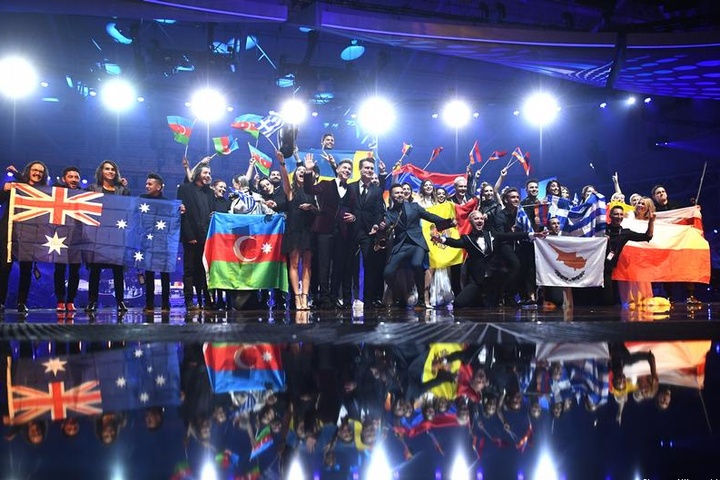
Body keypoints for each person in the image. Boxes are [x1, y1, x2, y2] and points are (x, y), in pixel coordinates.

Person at [433, 210, 545, 308]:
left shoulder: (492, 234)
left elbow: (510, 236)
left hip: (494, 279)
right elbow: (456, 243)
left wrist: (532, 234)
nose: (479, 221)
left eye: (481, 218)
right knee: (459, 303)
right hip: (477, 280)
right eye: (476, 219)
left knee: (491, 305)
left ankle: (503, 295)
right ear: (470, 221)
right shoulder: (467, 239)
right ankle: (478, 298)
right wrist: (442, 239)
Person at [372, 183, 454, 310]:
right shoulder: (389, 213)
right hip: (401, 245)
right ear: (391, 196)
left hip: (417, 243)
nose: (400, 194)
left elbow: (430, 216)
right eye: (396, 193)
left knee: (417, 264)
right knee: (388, 273)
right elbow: (386, 224)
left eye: (401, 192)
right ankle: (399, 297)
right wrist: (382, 227)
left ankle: (421, 299)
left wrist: (448, 222)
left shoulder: (414, 206)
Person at [303, 154, 358, 309]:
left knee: (338, 265)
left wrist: (353, 217)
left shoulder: (351, 190)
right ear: (338, 169)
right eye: (344, 167)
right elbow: (309, 189)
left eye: (349, 169)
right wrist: (308, 171)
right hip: (324, 230)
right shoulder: (326, 184)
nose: (347, 170)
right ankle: (324, 297)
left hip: (342, 232)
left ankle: (334, 297)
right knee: (324, 265)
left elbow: (354, 210)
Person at [0, 161, 50, 313]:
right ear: (28, 171)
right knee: (4, 268)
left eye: (41, 171)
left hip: (30, 234)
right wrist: (3, 189)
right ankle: (0, 302)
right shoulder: (15, 186)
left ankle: (22, 302)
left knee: (26, 269)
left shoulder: (45, 192)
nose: (37, 173)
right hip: (10, 232)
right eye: (35, 170)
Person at [85, 161, 130, 313]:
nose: (110, 171)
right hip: (98, 234)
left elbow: (129, 210)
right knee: (95, 270)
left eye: (113, 169)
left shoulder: (123, 190)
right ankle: (92, 301)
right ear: (101, 171)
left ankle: (120, 301)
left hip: (117, 234)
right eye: (107, 169)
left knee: (118, 270)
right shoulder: (92, 189)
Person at [278, 151, 317, 310]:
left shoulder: (313, 192)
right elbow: (284, 179)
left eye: (304, 171)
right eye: (299, 171)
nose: (301, 172)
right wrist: (282, 164)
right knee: (294, 264)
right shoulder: (291, 191)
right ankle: (296, 297)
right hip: (294, 230)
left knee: (307, 264)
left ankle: (305, 296)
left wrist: (312, 207)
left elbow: (321, 210)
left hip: (308, 230)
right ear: (295, 176)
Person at [177, 161, 215, 310]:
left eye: (209, 173)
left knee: (205, 270)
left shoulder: (210, 192)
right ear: (198, 173)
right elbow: (183, 215)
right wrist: (189, 235)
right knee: (189, 270)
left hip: (207, 237)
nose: (208, 175)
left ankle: (207, 300)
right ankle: (189, 301)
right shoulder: (184, 189)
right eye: (205, 173)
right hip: (191, 237)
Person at [603, 205, 654, 305]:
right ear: (610, 216)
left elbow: (647, 236)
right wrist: (600, 237)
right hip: (595, 266)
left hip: (608, 268)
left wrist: (651, 221)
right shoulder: (602, 229)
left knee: (608, 298)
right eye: (616, 214)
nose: (619, 217)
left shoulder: (625, 233)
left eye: (621, 214)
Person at [140, 173, 172, 312]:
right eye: (146, 183)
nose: (146, 186)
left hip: (163, 242)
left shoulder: (167, 203)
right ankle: (149, 304)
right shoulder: (141, 199)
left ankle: (165, 303)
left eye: (150, 184)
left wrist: (180, 209)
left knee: (165, 273)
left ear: (158, 187)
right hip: (147, 242)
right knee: (149, 273)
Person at [54, 166, 82, 312]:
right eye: (70, 177)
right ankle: (60, 300)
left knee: (74, 272)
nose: (74, 179)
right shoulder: (56, 192)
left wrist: (120, 185)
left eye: (76, 177)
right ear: (64, 179)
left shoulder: (84, 194)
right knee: (59, 270)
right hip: (59, 237)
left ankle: (70, 300)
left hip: (78, 238)